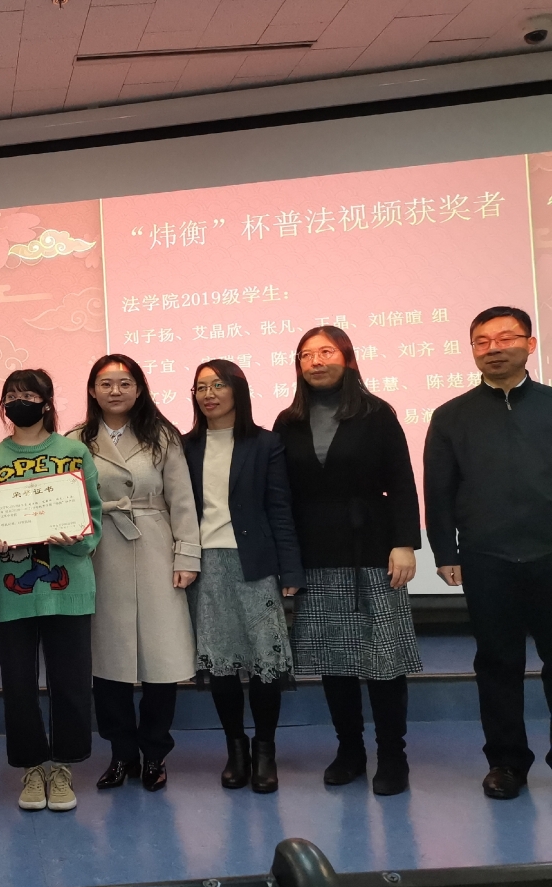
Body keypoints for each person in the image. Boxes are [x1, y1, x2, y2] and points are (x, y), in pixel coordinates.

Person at [273, 326, 421, 797]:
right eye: (306, 354)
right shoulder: (287, 420)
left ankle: (393, 756)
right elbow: (281, 494)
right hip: (316, 551)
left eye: (326, 352)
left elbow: (401, 481)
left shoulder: (377, 413)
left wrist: (404, 542)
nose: (316, 361)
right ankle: (350, 751)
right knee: (333, 658)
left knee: (383, 659)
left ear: (348, 358)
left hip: (373, 547)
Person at [425, 305, 552, 800]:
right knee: (497, 664)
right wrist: (445, 550)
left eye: (506, 338)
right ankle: (506, 762)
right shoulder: (451, 416)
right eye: (482, 341)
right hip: (486, 558)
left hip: (549, 554)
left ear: (530, 345)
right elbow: (439, 492)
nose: (494, 348)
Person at [67, 355, 198, 793]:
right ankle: (121, 753)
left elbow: (182, 500)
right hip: (99, 553)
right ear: (92, 390)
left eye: (125, 383)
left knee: (162, 660)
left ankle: (155, 753)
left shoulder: (163, 436)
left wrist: (187, 557)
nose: (116, 391)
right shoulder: (76, 440)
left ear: (139, 389)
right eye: (106, 383)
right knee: (109, 662)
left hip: (156, 546)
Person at [0, 368, 101, 812]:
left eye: (29, 395)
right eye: (12, 394)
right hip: (11, 591)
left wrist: (78, 537)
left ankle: (64, 767)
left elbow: (94, 514)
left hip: (69, 586)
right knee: (18, 685)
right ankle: (31, 768)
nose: (20, 401)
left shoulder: (74, 452)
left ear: (47, 403)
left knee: (71, 683)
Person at [181, 360, 304, 793]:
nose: (208, 394)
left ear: (238, 390)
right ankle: (235, 748)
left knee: (265, 663)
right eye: (201, 387)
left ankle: (265, 749)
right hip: (205, 565)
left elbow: (280, 508)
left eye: (218, 385)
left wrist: (290, 567)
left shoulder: (265, 443)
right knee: (222, 664)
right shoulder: (185, 446)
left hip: (254, 563)